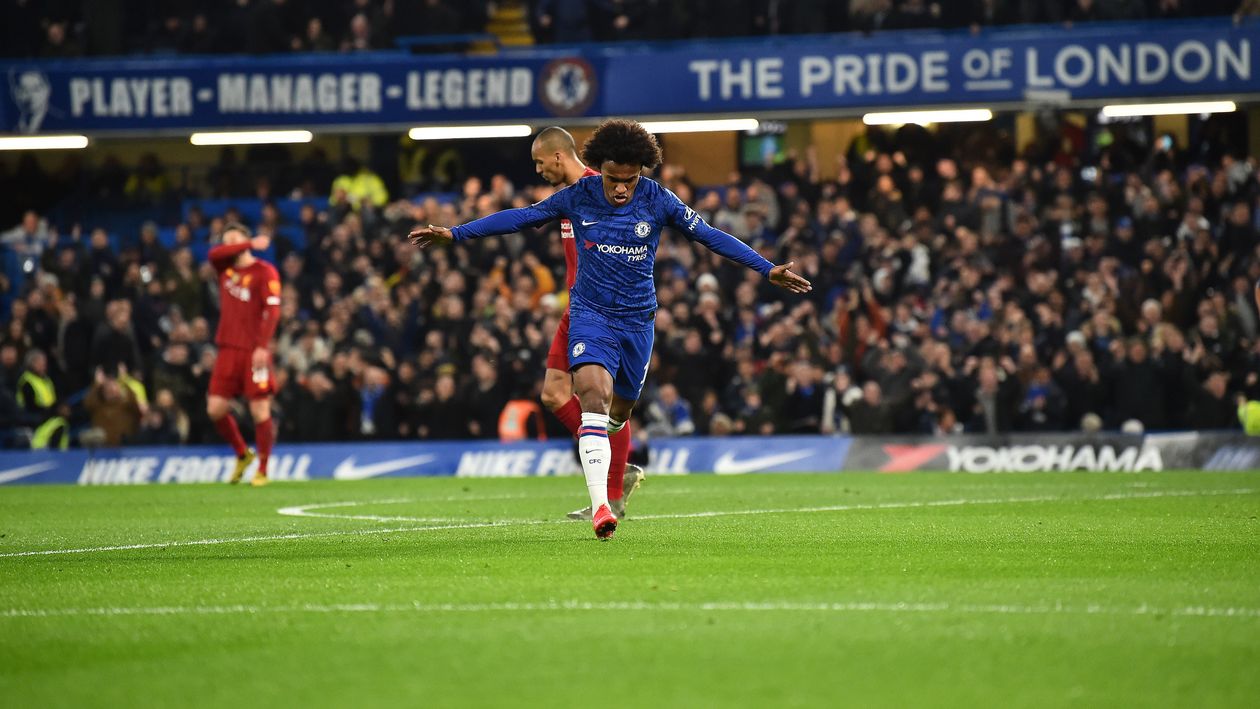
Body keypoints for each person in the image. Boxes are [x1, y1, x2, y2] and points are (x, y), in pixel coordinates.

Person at [410, 119, 811, 538]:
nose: (621, 189)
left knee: (619, 413)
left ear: (641, 172)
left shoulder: (658, 199)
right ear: (600, 168)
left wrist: (766, 269)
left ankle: (613, 466)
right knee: (593, 398)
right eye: (613, 179)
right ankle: (603, 506)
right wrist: (456, 234)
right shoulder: (578, 195)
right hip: (590, 315)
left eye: (629, 180)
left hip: (638, 321)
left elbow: (710, 236)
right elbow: (522, 217)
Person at [529, 126, 644, 521]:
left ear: (558, 156)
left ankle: (612, 491)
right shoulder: (569, 198)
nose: (539, 170)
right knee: (553, 394)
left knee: (603, 403)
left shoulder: (602, 188)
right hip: (576, 306)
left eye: (540, 162)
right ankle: (614, 468)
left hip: (603, 311)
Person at [206, 224, 282, 486]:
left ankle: (263, 468)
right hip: (227, 348)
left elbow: (273, 311)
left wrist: (262, 346)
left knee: (260, 409)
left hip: (253, 351)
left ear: (245, 239)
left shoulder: (265, 271)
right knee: (215, 409)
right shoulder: (224, 269)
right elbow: (213, 254)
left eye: (235, 239)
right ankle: (242, 454)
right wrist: (249, 243)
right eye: (226, 241)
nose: (230, 246)